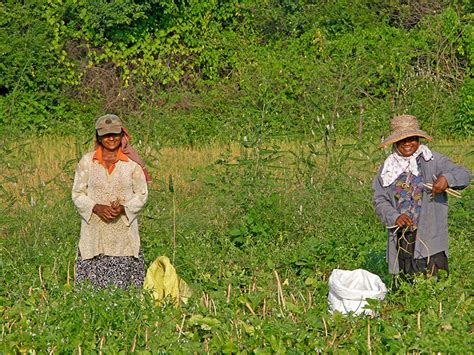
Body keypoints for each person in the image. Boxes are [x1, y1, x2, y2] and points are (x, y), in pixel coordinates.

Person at [372, 114, 471, 278]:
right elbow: (379, 199)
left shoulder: (432, 160)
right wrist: (395, 217)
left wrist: (447, 179)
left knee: (431, 286)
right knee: (405, 286)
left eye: (412, 138)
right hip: (402, 236)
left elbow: (464, 174)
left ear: (418, 138)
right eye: (402, 139)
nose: (407, 143)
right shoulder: (388, 168)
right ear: (395, 142)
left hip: (429, 235)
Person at [72, 114, 151, 289]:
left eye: (115, 134)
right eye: (106, 135)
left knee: (124, 291)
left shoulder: (132, 164)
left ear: (122, 135)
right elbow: (77, 193)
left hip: (123, 233)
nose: (111, 138)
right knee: (92, 290)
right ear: (98, 137)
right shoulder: (87, 162)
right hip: (94, 232)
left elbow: (142, 194)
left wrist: (124, 208)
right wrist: (95, 207)